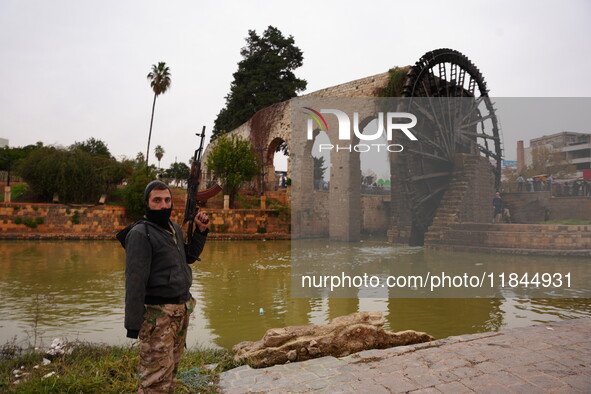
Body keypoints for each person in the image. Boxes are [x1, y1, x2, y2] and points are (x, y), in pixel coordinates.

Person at [121, 180, 210, 393]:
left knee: (170, 371)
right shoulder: (141, 234)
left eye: (167, 200)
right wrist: (133, 326)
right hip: (157, 316)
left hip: (180, 312)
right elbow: (135, 282)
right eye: (157, 200)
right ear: (147, 203)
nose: (163, 205)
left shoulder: (173, 228)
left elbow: (187, 257)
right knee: (155, 379)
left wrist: (201, 231)